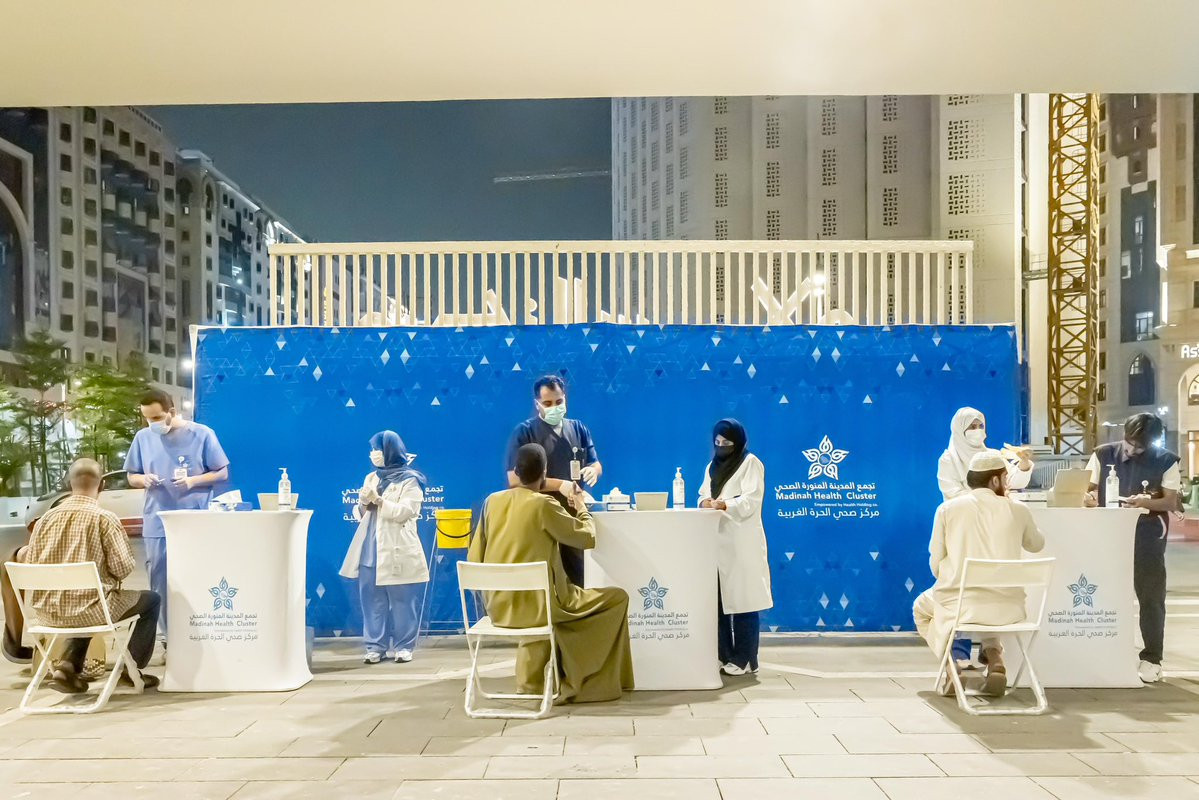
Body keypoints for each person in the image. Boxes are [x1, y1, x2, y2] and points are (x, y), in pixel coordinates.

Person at [470, 443, 633, 703]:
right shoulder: (544, 504)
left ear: (516, 472)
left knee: (545, 604)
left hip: (498, 609)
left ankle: (531, 683)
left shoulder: (491, 502)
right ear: (544, 473)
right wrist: (581, 508)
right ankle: (585, 681)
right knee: (616, 598)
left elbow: (474, 557)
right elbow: (586, 538)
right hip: (540, 608)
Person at [20, 459, 161, 693]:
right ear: (102, 485)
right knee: (150, 600)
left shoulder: (44, 520)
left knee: (88, 600)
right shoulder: (104, 519)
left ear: (69, 484)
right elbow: (123, 568)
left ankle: (67, 668)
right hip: (91, 610)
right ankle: (132, 671)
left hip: (47, 613)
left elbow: (31, 562)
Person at [914, 450, 1045, 697]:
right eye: (1005, 478)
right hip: (1011, 609)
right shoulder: (1018, 509)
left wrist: (945, 577)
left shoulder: (947, 509)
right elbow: (1037, 545)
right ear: (995, 480)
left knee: (922, 609)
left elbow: (936, 560)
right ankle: (995, 657)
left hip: (962, 604)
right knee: (989, 602)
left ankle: (956, 664)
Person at [125, 388, 229, 641]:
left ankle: (200, 635)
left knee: (198, 576)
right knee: (160, 580)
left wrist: (193, 481)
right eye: (147, 418)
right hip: (157, 520)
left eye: (156, 418)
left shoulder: (201, 434)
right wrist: (143, 479)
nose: (152, 423)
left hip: (194, 519)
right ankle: (168, 638)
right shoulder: (143, 438)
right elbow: (131, 475)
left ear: (171, 411)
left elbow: (222, 472)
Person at [1083, 413, 1180, 684]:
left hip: (1148, 534)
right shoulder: (1103, 454)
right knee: (1104, 593)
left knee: (1150, 596)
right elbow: (1085, 488)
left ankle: (1152, 658)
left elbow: (1170, 502)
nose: (1131, 450)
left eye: (1139, 446)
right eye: (1129, 442)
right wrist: (1087, 498)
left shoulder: (1166, 460)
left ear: (1152, 442)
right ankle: (1105, 650)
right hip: (1107, 533)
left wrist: (1145, 503)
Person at [937, 407, 1034, 670]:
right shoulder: (949, 459)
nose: (978, 431)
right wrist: (988, 499)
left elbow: (1014, 479)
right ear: (959, 430)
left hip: (988, 531)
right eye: (972, 426)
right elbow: (950, 491)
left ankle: (966, 659)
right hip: (963, 531)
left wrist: (1024, 464)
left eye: (981, 425)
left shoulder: (992, 455)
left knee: (975, 589)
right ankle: (981, 654)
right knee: (975, 589)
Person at [339, 430, 428, 664]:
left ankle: (404, 646)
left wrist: (379, 500)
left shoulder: (411, 480)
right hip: (370, 548)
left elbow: (405, 512)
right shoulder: (371, 478)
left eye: (377, 449)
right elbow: (362, 514)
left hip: (397, 547)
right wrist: (362, 503)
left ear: (390, 451)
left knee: (402, 602)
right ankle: (374, 646)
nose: (373, 454)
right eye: (372, 450)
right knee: (372, 602)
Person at [506, 375, 602, 587]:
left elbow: (595, 462)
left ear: (565, 398)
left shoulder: (578, 429)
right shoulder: (525, 432)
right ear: (537, 404)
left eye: (559, 402)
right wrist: (560, 485)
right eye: (547, 403)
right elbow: (514, 479)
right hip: (539, 519)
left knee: (578, 580)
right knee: (545, 581)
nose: (554, 407)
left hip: (572, 517)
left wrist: (593, 470)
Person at [698, 419, 773, 676]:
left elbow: (752, 500)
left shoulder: (751, 463)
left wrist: (725, 504)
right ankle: (723, 655)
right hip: (716, 543)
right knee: (718, 603)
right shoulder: (711, 467)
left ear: (738, 442)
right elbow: (702, 494)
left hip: (742, 542)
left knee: (744, 603)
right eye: (717, 443)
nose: (721, 447)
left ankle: (746, 659)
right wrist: (706, 503)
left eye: (727, 443)